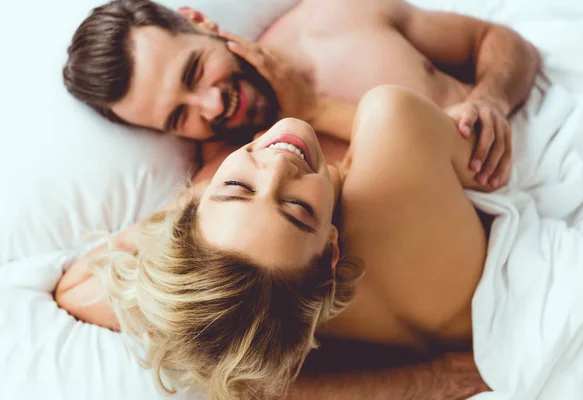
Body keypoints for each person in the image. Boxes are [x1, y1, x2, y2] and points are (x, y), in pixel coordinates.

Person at [56, 82, 493, 400]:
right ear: (332, 253)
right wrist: (207, 204)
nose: (279, 166)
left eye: (236, 188)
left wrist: (186, 229)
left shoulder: (273, 329)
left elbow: (74, 289)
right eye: (297, 210)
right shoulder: (390, 126)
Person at [63, 0, 540, 189]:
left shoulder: (334, 17)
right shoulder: (243, 186)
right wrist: (311, 111)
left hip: (550, 136)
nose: (211, 106)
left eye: (194, 72)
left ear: (198, 22)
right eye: (177, 118)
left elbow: (497, 42)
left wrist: (491, 99)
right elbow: (446, 160)